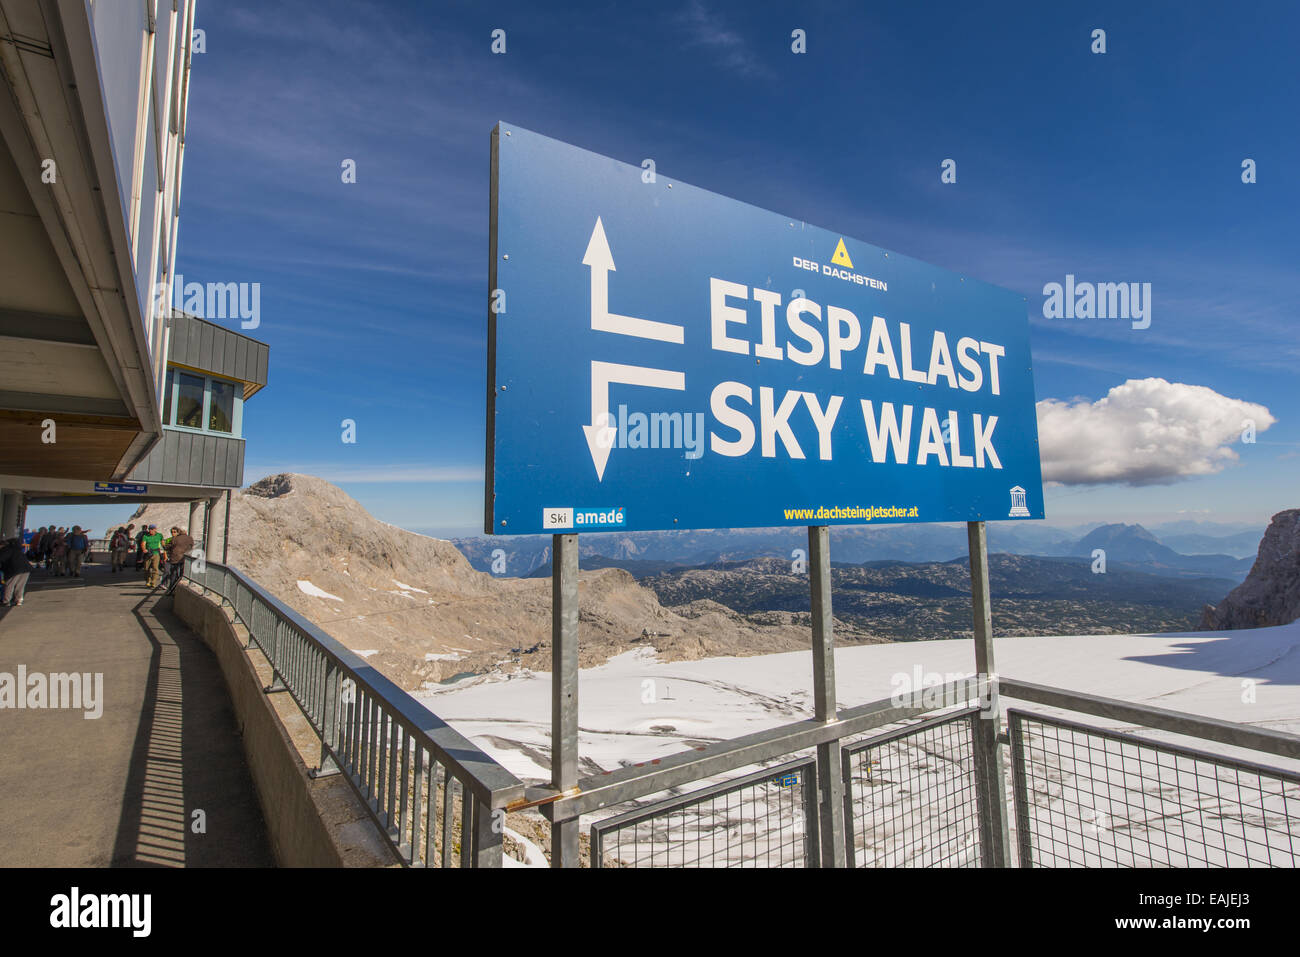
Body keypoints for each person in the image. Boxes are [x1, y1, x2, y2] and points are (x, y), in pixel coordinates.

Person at [1, 537, 33, 606]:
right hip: (26, 569)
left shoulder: (6, 550)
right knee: (20, 585)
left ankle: (6, 601)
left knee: (10, 585)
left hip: (14, 569)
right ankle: (19, 600)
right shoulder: (18, 550)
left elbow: (2, 559)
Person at [164, 525, 194, 594]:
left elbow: (167, 547)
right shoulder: (190, 538)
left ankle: (171, 589)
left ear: (179, 531)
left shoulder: (175, 538)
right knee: (182, 574)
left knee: (174, 574)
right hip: (186, 559)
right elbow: (191, 546)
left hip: (175, 558)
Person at [142, 524, 165, 588]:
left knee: (155, 568)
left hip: (156, 553)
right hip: (148, 553)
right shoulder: (145, 536)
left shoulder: (159, 535)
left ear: (155, 529)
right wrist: (144, 549)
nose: (150, 530)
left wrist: (165, 548)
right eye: (149, 529)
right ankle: (148, 581)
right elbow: (143, 544)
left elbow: (163, 543)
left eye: (152, 529)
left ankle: (153, 582)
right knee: (146, 568)